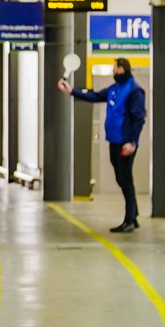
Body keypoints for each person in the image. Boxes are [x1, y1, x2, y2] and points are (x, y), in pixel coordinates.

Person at [57, 57, 146, 233]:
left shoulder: (134, 91)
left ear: (122, 69)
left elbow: (138, 118)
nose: (113, 71)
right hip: (114, 140)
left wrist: (132, 142)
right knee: (122, 179)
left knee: (125, 179)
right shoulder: (115, 89)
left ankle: (129, 220)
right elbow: (95, 96)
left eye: (114, 68)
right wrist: (72, 91)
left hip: (125, 143)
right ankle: (133, 216)